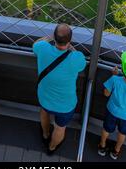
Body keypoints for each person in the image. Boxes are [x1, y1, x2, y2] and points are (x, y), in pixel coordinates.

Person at [33, 23, 86, 155]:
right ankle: (51, 147)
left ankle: (45, 134)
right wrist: (69, 45)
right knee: (60, 127)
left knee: (44, 113)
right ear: (70, 40)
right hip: (65, 105)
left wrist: (50, 37)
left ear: (54, 38)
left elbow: (36, 44)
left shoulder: (43, 48)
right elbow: (81, 62)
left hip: (44, 97)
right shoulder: (76, 58)